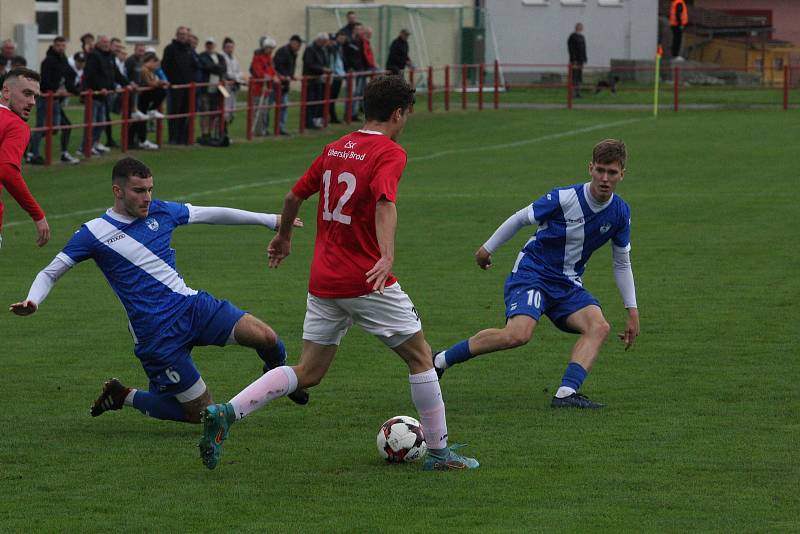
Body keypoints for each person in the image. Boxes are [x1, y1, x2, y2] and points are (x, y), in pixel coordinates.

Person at [198, 75, 480, 472]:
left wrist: (283, 237)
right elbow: (385, 201)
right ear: (399, 113)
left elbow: (293, 196)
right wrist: (386, 255)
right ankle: (438, 453)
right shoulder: (389, 152)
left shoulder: (335, 148)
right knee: (420, 358)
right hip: (366, 279)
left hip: (324, 281)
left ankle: (228, 411)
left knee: (309, 371)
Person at [9, 157, 308, 424]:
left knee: (268, 339)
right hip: (156, 334)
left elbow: (209, 213)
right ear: (118, 191)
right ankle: (123, 395)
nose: (147, 197)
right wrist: (33, 299)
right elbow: (51, 272)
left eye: (150, 189)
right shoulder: (93, 234)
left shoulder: (161, 211)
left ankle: (276, 379)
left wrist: (271, 220)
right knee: (201, 414)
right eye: (139, 191)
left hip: (192, 307)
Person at [433, 139, 640, 409]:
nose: (604, 178)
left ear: (622, 174)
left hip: (567, 284)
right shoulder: (565, 198)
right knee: (518, 334)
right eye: (600, 170)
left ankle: (566, 394)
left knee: (598, 326)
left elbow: (622, 262)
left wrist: (632, 310)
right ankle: (440, 360)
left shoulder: (620, 212)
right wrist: (486, 248)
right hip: (532, 273)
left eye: (612, 173)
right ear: (590, 168)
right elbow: (521, 218)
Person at [0, 67, 50, 250]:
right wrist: (37, 214)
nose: (32, 102)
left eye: (35, 96)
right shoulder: (16, 126)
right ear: (6, 91)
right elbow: (7, 171)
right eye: (27, 94)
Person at [27, 36, 81, 165]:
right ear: (54, 45)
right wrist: (55, 90)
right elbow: (44, 81)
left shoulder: (63, 60)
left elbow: (68, 77)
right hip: (45, 99)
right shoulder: (48, 61)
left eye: (63, 45)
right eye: (59, 45)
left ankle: (30, 146)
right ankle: (32, 154)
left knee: (57, 127)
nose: (61, 48)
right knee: (42, 127)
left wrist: (76, 91)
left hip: (55, 100)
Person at [80, 35, 129, 156]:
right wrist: (99, 88)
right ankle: (84, 147)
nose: (105, 44)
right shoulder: (94, 55)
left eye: (107, 42)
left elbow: (115, 73)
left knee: (101, 122)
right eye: (103, 42)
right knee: (92, 122)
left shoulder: (110, 56)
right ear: (98, 43)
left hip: (104, 95)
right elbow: (90, 75)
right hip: (95, 94)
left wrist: (128, 84)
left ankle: (94, 144)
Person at [162, 26, 195, 144]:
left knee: (185, 112)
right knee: (174, 112)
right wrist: (168, 82)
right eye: (180, 34)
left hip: (187, 87)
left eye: (185, 34)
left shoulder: (189, 49)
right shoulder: (170, 49)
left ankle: (183, 137)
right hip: (175, 87)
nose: (182, 36)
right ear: (176, 35)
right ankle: (173, 137)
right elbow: (164, 66)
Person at [130, 52, 167, 150]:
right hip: (141, 97)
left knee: (141, 119)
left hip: (142, 97)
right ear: (150, 61)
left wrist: (158, 82)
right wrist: (160, 83)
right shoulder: (144, 70)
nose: (156, 66)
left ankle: (137, 140)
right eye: (155, 63)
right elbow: (150, 83)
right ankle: (139, 140)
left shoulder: (149, 71)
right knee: (140, 119)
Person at [197, 38, 227, 145]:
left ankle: (210, 132)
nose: (210, 46)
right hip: (205, 88)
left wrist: (214, 68)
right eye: (208, 44)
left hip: (217, 89)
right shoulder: (202, 56)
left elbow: (223, 68)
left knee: (214, 112)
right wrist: (216, 68)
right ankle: (205, 133)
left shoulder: (220, 57)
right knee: (205, 111)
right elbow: (206, 66)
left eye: (211, 44)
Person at [272, 35, 302, 136]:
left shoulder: (293, 53)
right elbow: (278, 66)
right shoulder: (283, 52)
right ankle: (270, 128)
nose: (299, 47)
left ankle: (280, 127)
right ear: (293, 43)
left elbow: (290, 67)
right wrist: (285, 76)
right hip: (277, 83)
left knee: (283, 106)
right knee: (271, 105)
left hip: (284, 83)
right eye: (298, 44)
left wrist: (291, 76)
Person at [302, 33, 331, 129]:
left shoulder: (321, 49)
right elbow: (309, 64)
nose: (324, 44)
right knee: (310, 100)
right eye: (324, 42)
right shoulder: (310, 49)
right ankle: (308, 122)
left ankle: (314, 121)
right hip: (311, 79)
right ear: (319, 40)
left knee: (317, 101)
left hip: (318, 79)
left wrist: (324, 69)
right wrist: (322, 69)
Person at [249, 36, 277, 136]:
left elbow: (271, 69)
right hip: (258, 87)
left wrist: (274, 76)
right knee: (258, 110)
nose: (271, 51)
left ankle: (263, 129)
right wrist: (269, 77)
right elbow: (258, 71)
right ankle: (257, 130)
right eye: (269, 48)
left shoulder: (268, 57)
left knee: (264, 110)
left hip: (266, 87)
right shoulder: (257, 58)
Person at [220, 37, 246, 131]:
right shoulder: (222, 57)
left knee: (233, 109)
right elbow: (227, 73)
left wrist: (238, 78)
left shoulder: (234, 59)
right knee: (225, 107)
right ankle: (223, 130)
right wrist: (237, 77)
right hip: (224, 86)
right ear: (223, 48)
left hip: (234, 86)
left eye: (231, 47)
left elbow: (240, 72)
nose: (230, 49)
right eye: (228, 47)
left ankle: (226, 128)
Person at [567, 23, 587, 98]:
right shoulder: (572, 36)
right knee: (574, 76)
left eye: (582, 27)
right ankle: (572, 93)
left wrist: (585, 58)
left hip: (581, 60)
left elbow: (584, 48)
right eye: (580, 27)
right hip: (575, 61)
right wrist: (573, 59)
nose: (581, 28)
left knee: (579, 76)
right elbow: (571, 49)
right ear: (576, 27)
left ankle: (578, 93)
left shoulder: (582, 37)